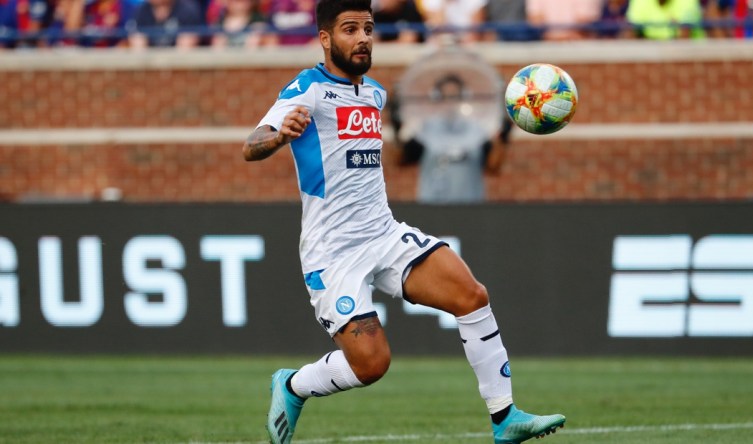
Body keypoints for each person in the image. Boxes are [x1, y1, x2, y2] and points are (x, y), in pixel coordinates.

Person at [242, 1, 566, 443]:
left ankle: (505, 418)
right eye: (350, 29)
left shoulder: (374, 93)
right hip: (332, 252)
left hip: (383, 232)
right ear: (324, 38)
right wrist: (280, 135)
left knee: (471, 295)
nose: (362, 38)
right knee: (372, 365)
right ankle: (293, 384)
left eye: (368, 28)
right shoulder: (307, 88)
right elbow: (251, 145)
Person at [391, 74, 511, 204]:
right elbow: (400, 159)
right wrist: (396, 126)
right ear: (437, 99)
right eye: (445, 97)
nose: (450, 102)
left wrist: (504, 132)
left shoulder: (476, 130)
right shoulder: (427, 129)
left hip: (471, 209)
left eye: (454, 97)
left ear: (462, 98)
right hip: (432, 209)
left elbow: (493, 167)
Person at [126, 0, 203, 48]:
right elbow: (137, 44)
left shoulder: (187, 9)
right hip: (151, 65)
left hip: (177, 67)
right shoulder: (142, 10)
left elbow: (185, 50)